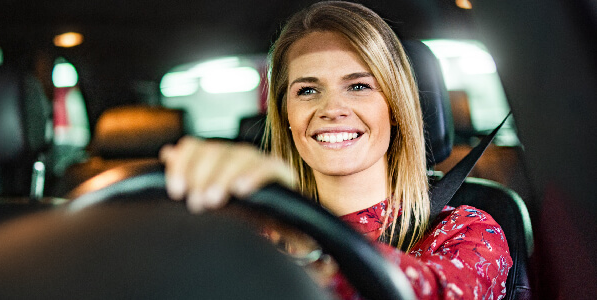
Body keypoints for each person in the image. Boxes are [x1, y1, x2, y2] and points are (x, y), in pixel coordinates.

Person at [160, 1, 512, 299]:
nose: (332, 109)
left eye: (358, 86)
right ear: (285, 114)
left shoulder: (467, 232)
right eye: (308, 91)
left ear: (394, 108)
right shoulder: (247, 235)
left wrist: (309, 239)